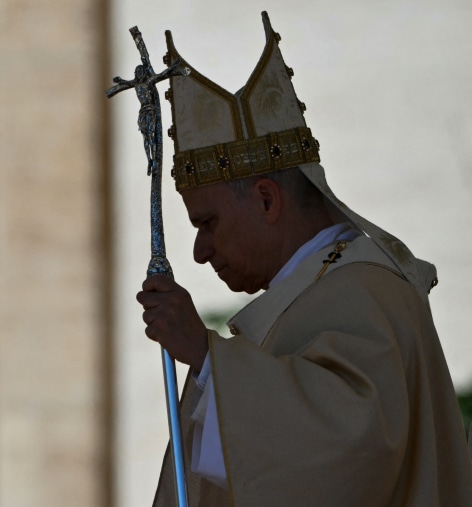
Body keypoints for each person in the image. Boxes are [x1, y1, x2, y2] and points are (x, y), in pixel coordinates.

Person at [136, 12, 472, 506]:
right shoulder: (315, 291)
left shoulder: (365, 292)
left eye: (208, 223)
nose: (199, 251)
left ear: (268, 200)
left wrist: (208, 358)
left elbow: (350, 453)